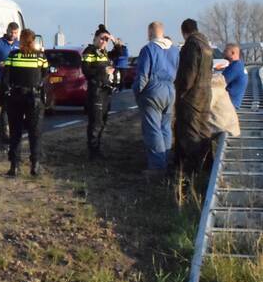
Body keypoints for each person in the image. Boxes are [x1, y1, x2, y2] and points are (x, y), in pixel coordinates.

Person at [0, 28, 49, 176]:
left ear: (20, 40)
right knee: (35, 133)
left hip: (16, 97)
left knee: (15, 133)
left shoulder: (13, 56)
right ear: (33, 41)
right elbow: (45, 76)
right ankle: (35, 165)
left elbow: (5, 78)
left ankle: (14, 166)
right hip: (34, 98)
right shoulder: (40, 57)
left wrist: (2, 99)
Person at [133, 22, 179, 173]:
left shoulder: (148, 49)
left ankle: (157, 167)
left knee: (153, 129)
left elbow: (143, 74)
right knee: (165, 127)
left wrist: (138, 92)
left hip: (153, 90)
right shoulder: (174, 50)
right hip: (170, 90)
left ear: (150, 33)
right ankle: (166, 159)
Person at [174, 18, 214, 174]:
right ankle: (208, 165)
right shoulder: (206, 45)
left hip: (192, 96)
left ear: (184, 31)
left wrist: (182, 90)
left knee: (190, 132)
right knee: (204, 130)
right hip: (206, 93)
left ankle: (192, 170)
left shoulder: (191, 45)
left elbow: (188, 73)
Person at [81, 24, 126, 159]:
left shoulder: (105, 53)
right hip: (96, 92)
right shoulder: (89, 51)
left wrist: (113, 39)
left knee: (103, 121)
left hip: (106, 92)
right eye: (101, 38)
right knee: (96, 122)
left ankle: (97, 149)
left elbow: (119, 53)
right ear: (95, 38)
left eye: (106, 40)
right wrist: (103, 71)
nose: (103, 42)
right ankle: (93, 152)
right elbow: (86, 71)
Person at [219, 43, 248, 109]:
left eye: (225, 51)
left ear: (232, 52)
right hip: (231, 103)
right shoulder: (239, 65)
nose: (223, 53)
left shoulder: (235, 66)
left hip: (228, 104)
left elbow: (220, 82)